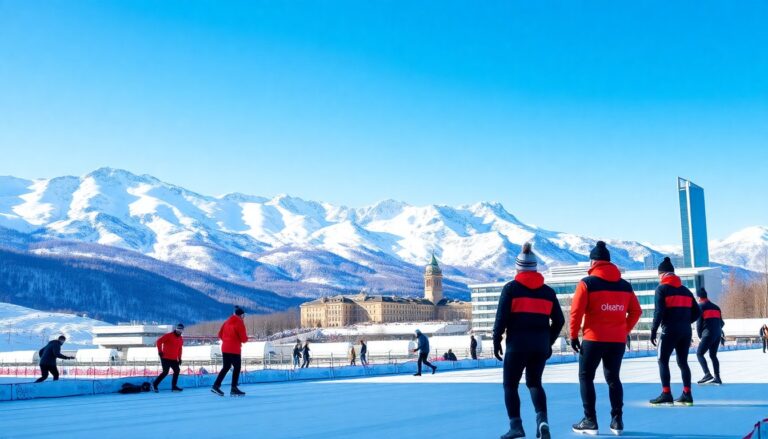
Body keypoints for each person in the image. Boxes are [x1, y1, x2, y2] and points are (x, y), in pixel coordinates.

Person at [569, 241, 642, 435]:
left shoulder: (587, 283)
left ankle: (590, 420)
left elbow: (576, 312)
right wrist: (623, 330)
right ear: (610, 263)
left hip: (593, 339)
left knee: (586, 377)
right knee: (613, 379)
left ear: (593, 262)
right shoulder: (625, 286)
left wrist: (573, 335)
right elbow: (636, 311)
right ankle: (617, 420)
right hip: (616, 341)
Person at [494, 242, 565, 439]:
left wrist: (496, 340)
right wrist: (548, 342)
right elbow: (559, 320)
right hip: (539, 346)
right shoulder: (548, 292)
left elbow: (501, 319)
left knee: (510, 385)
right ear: (535, 268)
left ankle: (516, 426)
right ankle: (542, 421)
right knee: (535, 383)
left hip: (517, 345)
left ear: (518, 267)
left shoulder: (511, 289)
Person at [649, 257, 701, 406]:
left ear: (662, 274)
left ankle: (666, 393)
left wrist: (653, 330)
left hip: (669, 330)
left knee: (662, 360)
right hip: (685, 332)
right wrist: (685, 322)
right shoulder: (685, 291)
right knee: (683, 362)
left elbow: (659, 312)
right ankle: (687, 394)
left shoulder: (661, 289)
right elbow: (697, 312)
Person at [212, 306, 248, 397]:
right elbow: (243, 339)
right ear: (241, 315)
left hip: (225, 348)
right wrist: (243, 339)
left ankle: (216, 386)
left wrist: (227, 340)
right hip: (234, 349)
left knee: (226, 367)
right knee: (237, 367)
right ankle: (234, 388)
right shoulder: (239, 322)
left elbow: (219, 335)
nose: (243, 317)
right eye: (243, 316)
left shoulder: (226, 322)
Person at [695, 288, 725, 385]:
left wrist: (700, 335)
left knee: (699, 353)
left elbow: (699, 323)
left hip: (707, 334)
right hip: (717, 334)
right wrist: (716, 328)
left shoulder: (700, 307)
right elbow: (722, 323)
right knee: (713, 355)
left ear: (699, 297)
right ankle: (717, 378)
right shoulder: (716, 307)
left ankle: (707, 374)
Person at [153, 323, 185, 392]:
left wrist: (179, 358)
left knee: (177, 371)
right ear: (176, 329)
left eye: (181, 329)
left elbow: (180, 349)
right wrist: (160, 351)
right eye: (178, 329)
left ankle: (174, 387)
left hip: (174, 359)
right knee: (165, 372)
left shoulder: (180, 338)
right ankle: (154, 384)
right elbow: (159, 341)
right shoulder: (169, 335)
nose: (179, 331)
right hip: (165, 357)